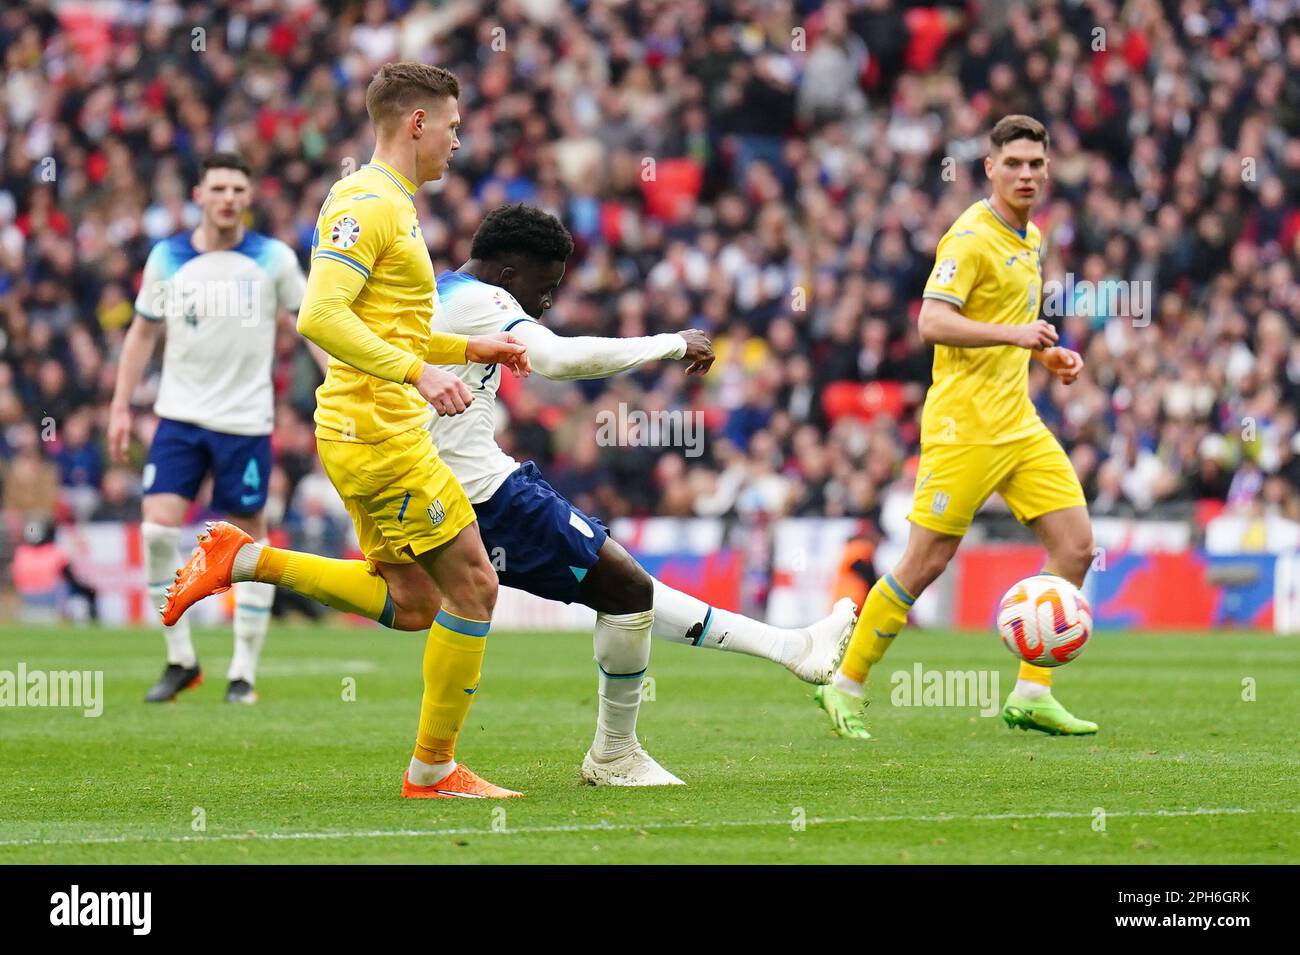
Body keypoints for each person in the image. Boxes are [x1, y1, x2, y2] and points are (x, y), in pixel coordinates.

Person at [161, 63, 531, 798]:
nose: (459, 142)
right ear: (417, 122)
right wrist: (419, 375)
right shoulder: (367, 202)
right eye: (453, 125)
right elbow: (320, 317)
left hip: (373, 425)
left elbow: (385, 322)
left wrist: (464, 350)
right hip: (377, 429)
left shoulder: (390, 201)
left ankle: (247, 559)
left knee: (417, 602)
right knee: (475, 585)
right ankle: (431, 770)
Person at [424, 203, 855, 785]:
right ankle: (615, 754)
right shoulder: (484, 301)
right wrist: (669, 343)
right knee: (625, 589)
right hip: (486, 495)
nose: (547, 303)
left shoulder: (441, 291)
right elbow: (556, 358)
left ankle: (789, 649)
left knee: (621, 588)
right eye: (545, 288)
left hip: (452, 488)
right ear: (508, 273)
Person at [816, 115, 1099, 739]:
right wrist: (1016, 335)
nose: (1026, 174)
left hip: (1018, 422)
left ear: (1048, 169)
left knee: (1076, 547)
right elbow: (932, 323)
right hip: (963, 428)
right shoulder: (969, 237)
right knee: (923, 564)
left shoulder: (1032, 238)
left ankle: (1032, 692)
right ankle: (843, 686)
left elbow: (1007, 323)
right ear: (990, 168)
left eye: (1036, 164)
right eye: (1014, 163)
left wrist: (1044, 354)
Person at [109, 152, 306, 704]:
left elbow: (314, 322)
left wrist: (347, 379)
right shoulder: (167, 258)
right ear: (198, 195)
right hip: (178, 418)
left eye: (238, 189)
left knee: (248, 546)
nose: (228, 198)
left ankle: (242, 672)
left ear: (248, 197)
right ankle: (181, 660)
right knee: (154, 532)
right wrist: (121, 406)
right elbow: (141, 336)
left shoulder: (273, 260)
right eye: (218, 188)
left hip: (245, 423)